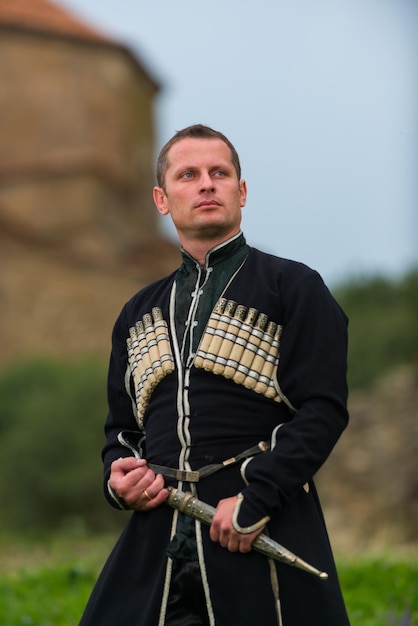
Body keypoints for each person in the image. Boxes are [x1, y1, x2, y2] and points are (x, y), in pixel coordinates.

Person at [79, 124, 351, 626]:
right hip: (156, 546)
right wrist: (119, 478)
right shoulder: (138, 311)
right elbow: (121, 431)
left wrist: (258, 495)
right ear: (162, 199)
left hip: (260, 526)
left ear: (240, 192)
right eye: (188, 175)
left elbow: (323, 410)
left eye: (219, 173)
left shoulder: (294, 287)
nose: (206, 184)